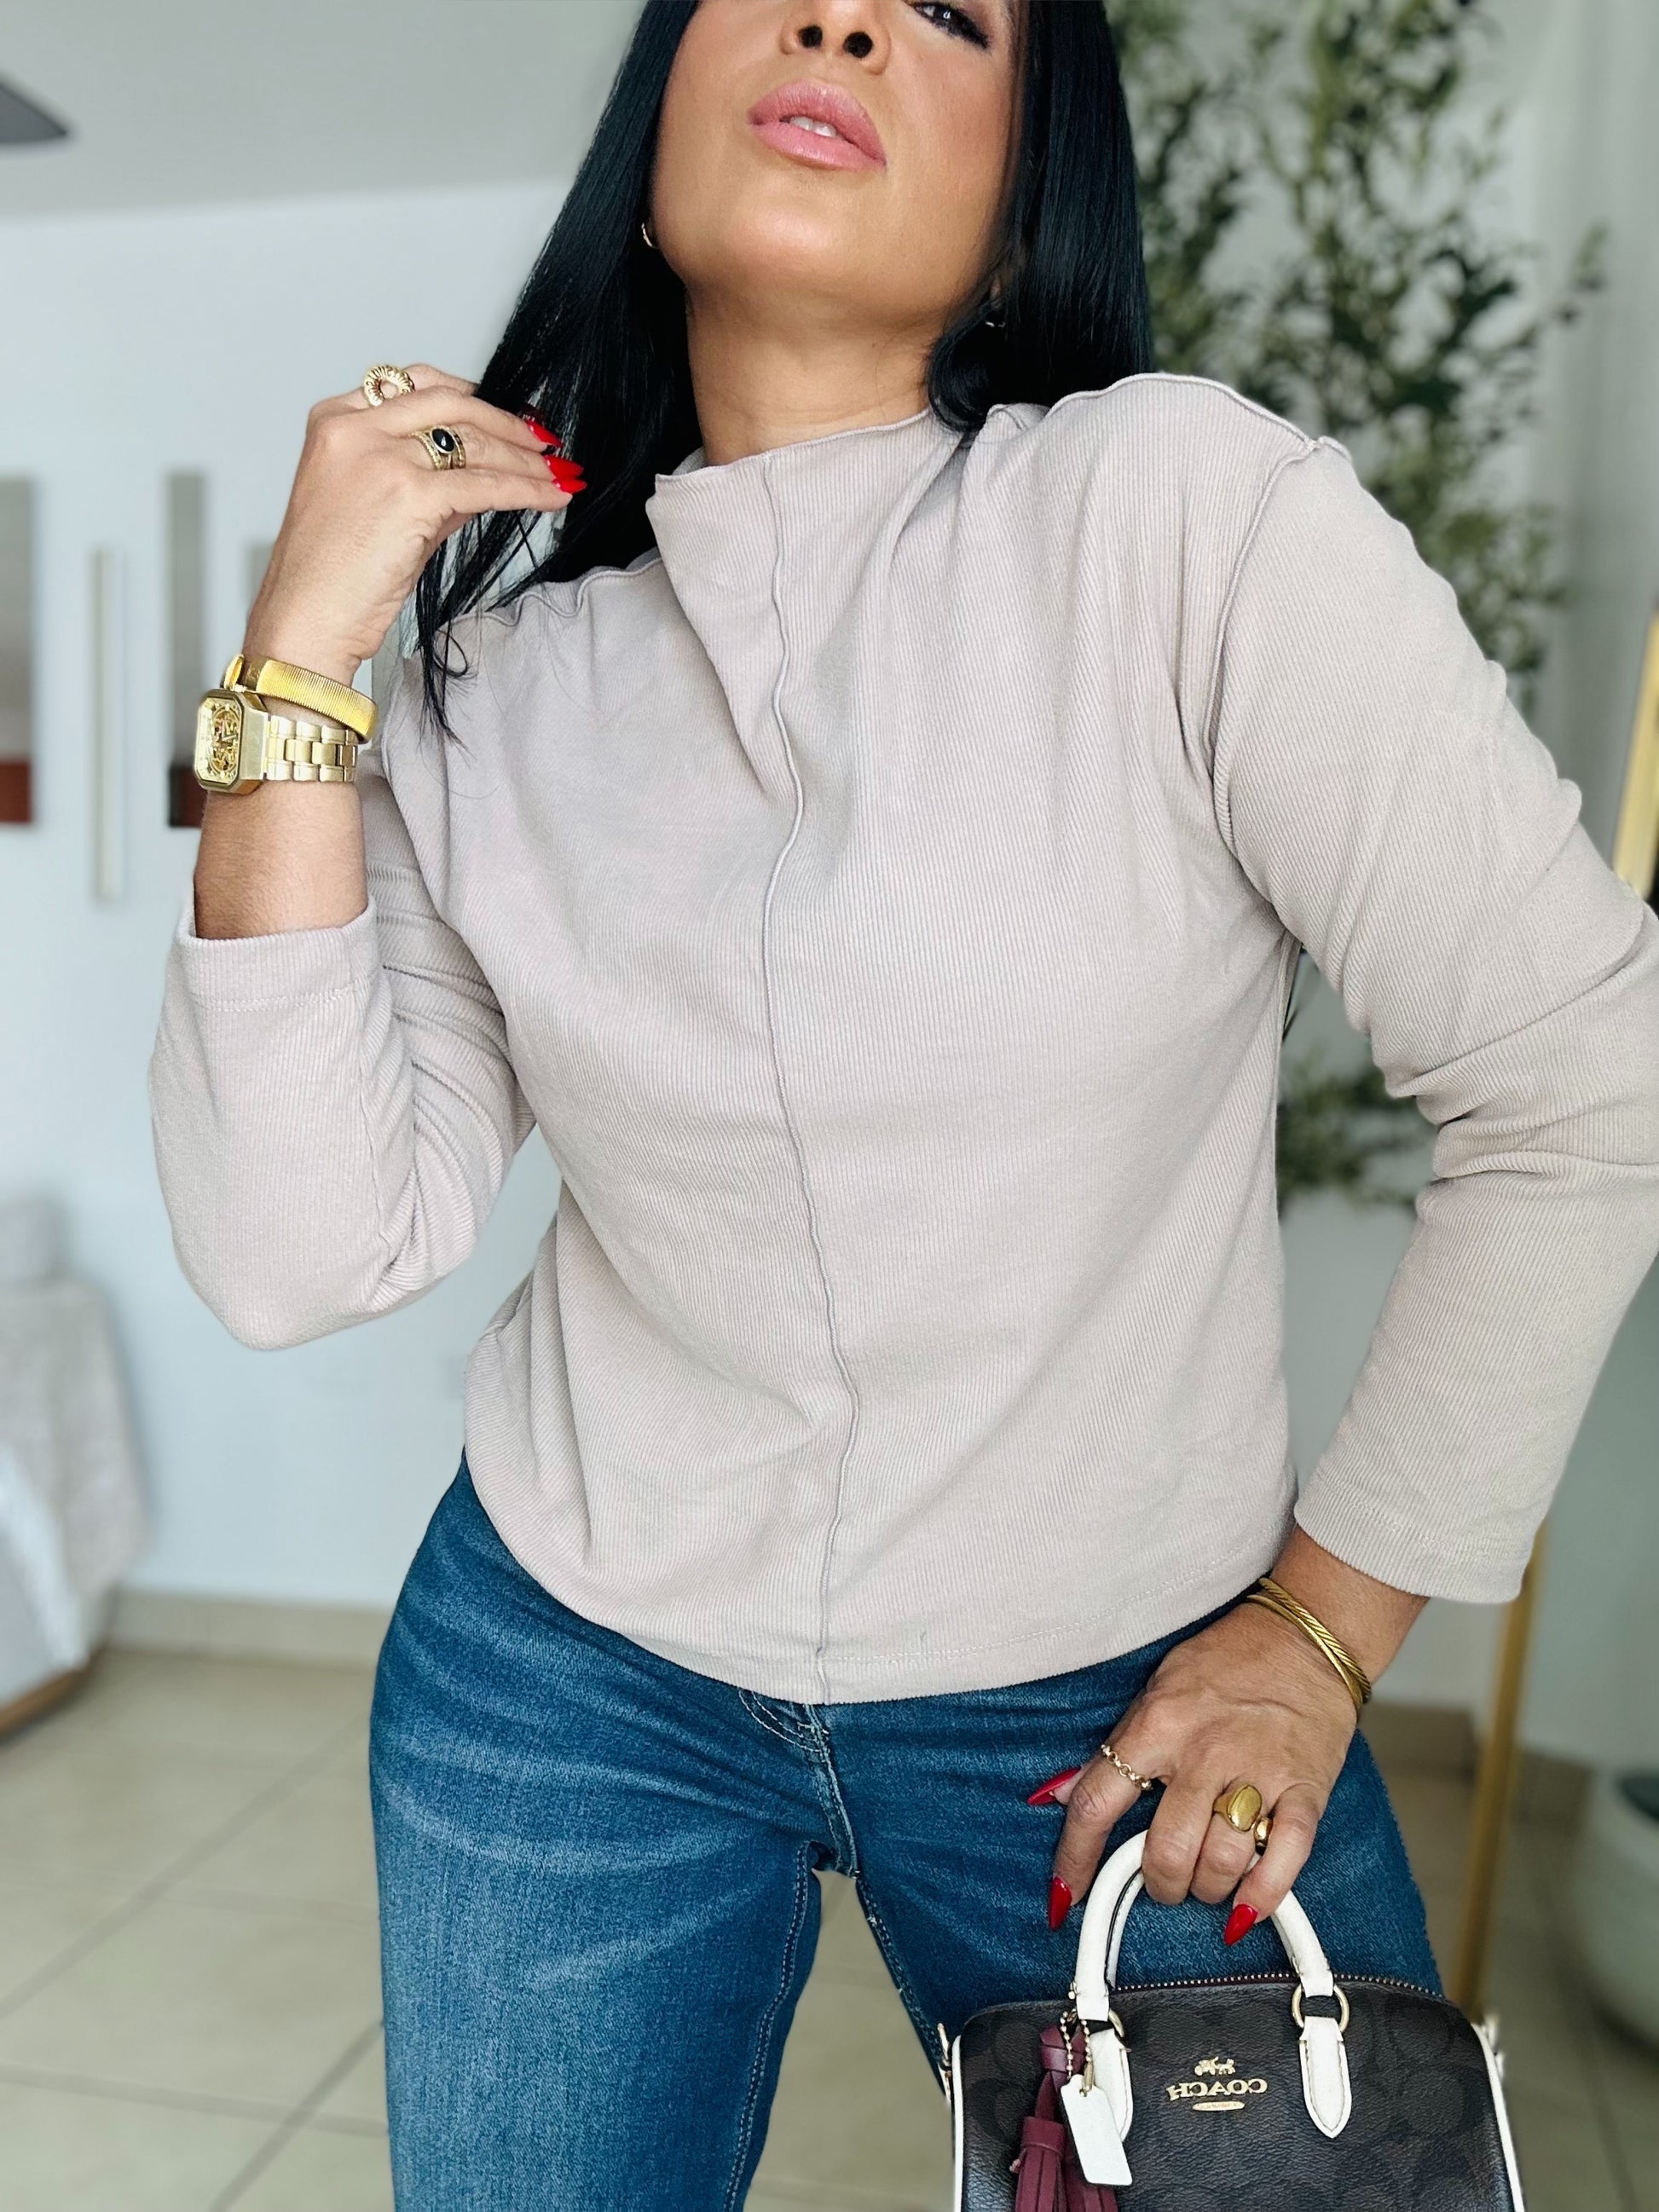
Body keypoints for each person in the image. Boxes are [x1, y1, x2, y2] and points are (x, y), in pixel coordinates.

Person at [147, 2, 1659, 2206]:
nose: (845, 14)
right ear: (653, 126)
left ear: (1029, 196)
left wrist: (1327, 1626)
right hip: (566, 1679)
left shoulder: (1179, 515)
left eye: (949, 11)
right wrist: (299, 665)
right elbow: (297, 1252)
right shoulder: (496, 679)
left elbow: (1578, 1081)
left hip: (1128, 1693)